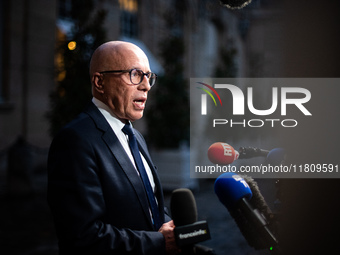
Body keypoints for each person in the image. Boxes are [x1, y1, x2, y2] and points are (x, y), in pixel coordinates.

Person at [47, 41, 180, 255]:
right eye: (135, 74)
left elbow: (148, 207)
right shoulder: (74, 141)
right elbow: (82, 237)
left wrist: (171, 229)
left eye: (148, 76)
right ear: (100, 82)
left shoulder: (135, 135)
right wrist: (159, 243)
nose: (146, 85)